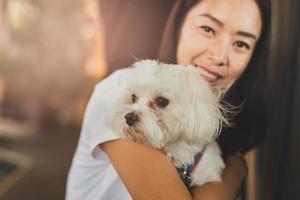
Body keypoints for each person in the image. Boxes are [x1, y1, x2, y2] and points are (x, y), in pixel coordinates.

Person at [66, 0, 271, 199]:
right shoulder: (119, 87)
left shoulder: (211, 134)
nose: (219, 56)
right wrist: (235, 172)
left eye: (241, 43)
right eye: (208, 29)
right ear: (180, 24)